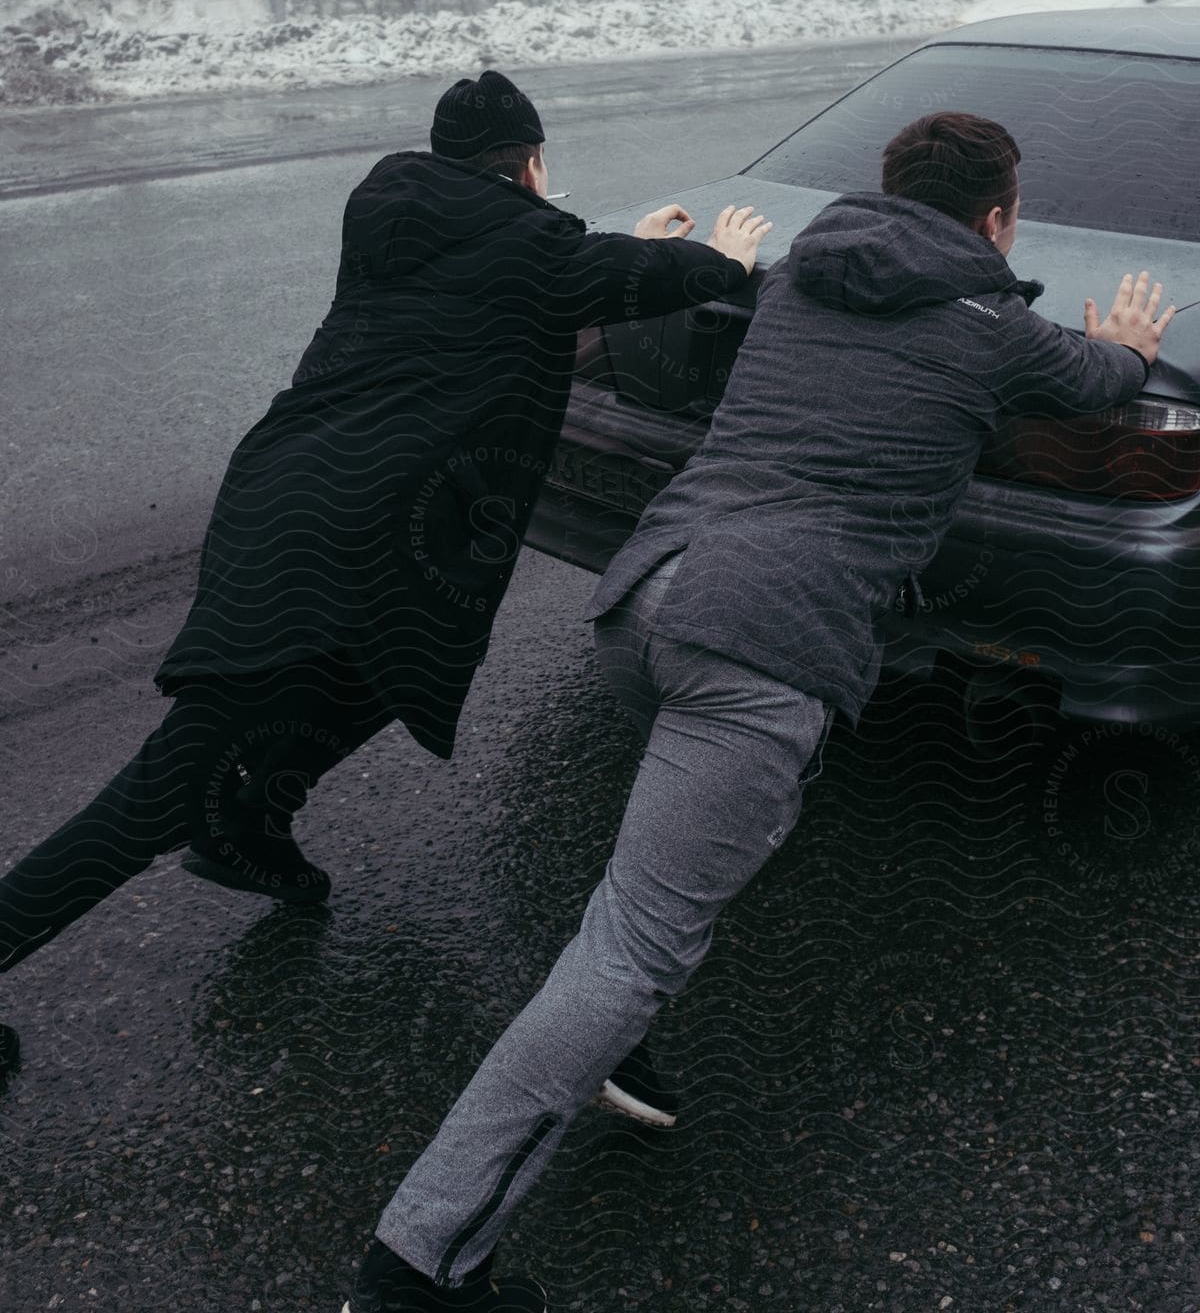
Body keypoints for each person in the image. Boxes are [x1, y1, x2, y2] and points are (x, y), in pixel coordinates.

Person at [340, 110, 1175, 1313]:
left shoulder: (793, 284)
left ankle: (609, 1040)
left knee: (654, 891)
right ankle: (424, 1259)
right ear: (997, 220)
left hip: (649, 599)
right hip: (764, 643)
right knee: (635, 945)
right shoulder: (992, 330)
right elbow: (1097, 379)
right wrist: (1133, 345)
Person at [0, 70, 769, 1086]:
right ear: (528, 164)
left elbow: (532, 276)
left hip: (288, 500)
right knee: (156, 791)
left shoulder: (398, 222)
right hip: (331, 545)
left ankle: (250, 827)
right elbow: (605, 274)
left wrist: (617, 242)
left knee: (375, 676)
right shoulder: (533, 247)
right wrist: (717, 256)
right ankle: (185, 839)